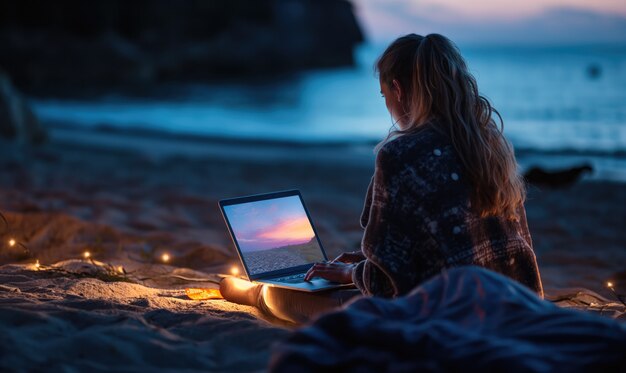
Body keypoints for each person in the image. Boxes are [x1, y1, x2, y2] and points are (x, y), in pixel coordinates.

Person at [220, 33, 543, 323]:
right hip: (515, 303)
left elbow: (388, 283)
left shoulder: (400, 155)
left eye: (383, 94)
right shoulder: (490, 142)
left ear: (398, 90)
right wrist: (365, 259)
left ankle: (250, 294)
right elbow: (447, 240)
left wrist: (351, 272)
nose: (387, 103)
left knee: (281, 296)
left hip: (443, 315)